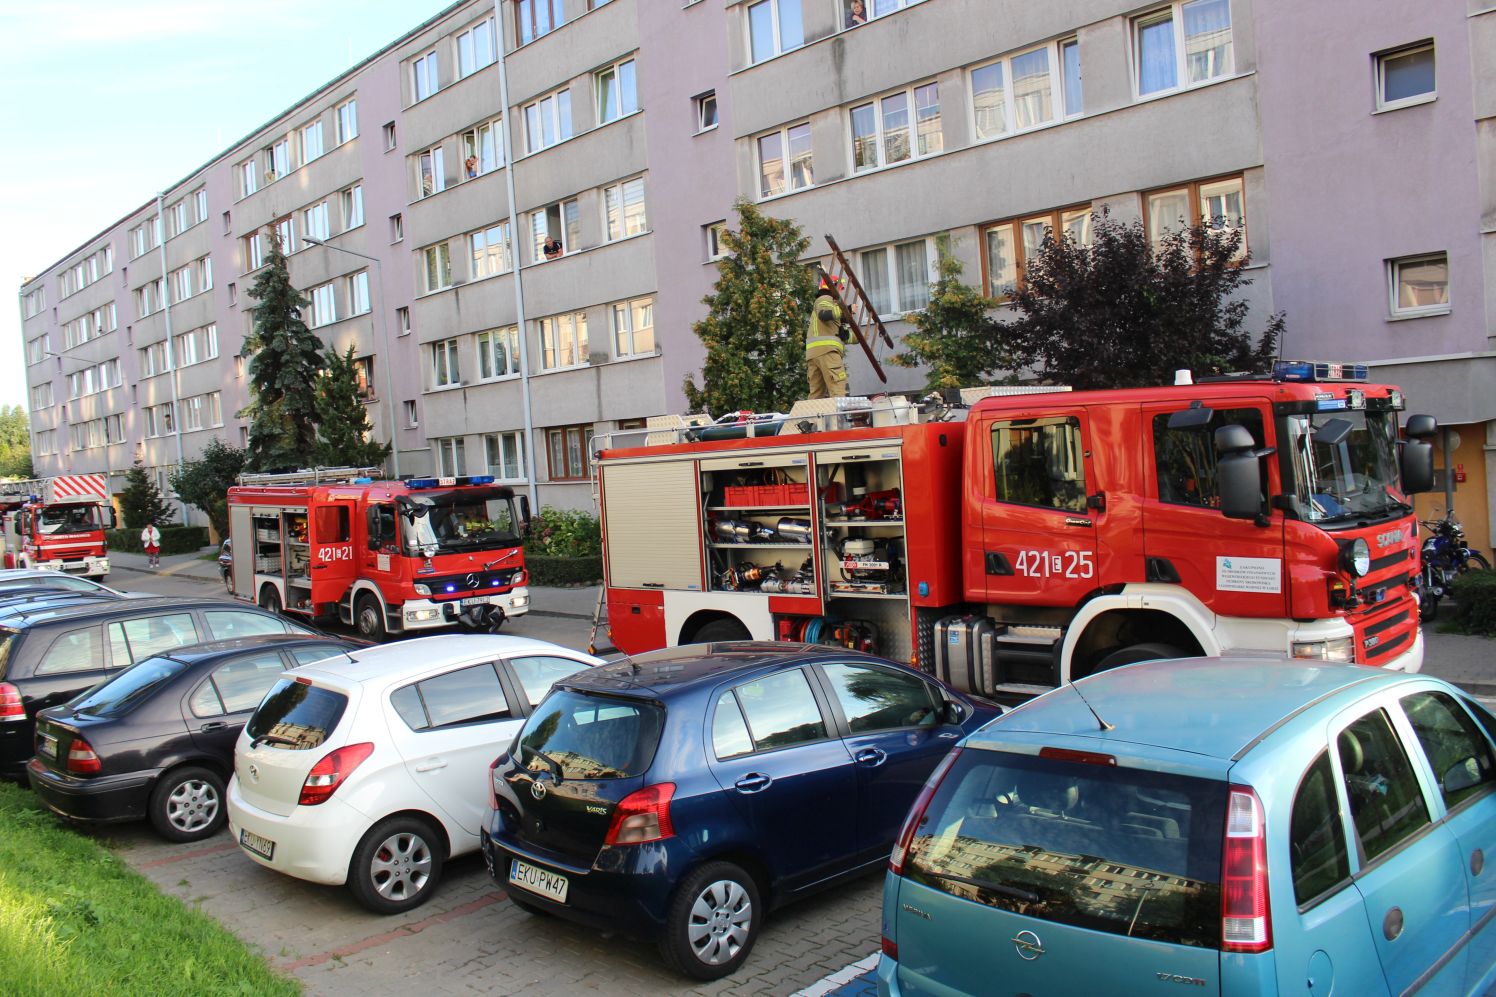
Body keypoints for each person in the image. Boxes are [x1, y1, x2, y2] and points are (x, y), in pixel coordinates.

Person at [805, 274, 851, 400]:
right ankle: (839, 419)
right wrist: (847, 310)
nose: (839, 293)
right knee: (839, 390)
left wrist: (853, 335)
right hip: (827, 353)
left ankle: (812, 420)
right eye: (839, 288)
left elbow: (841, 335)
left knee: (816, 395)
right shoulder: (825, 298)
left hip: (814, 355)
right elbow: (824, 315)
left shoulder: (826, 307)